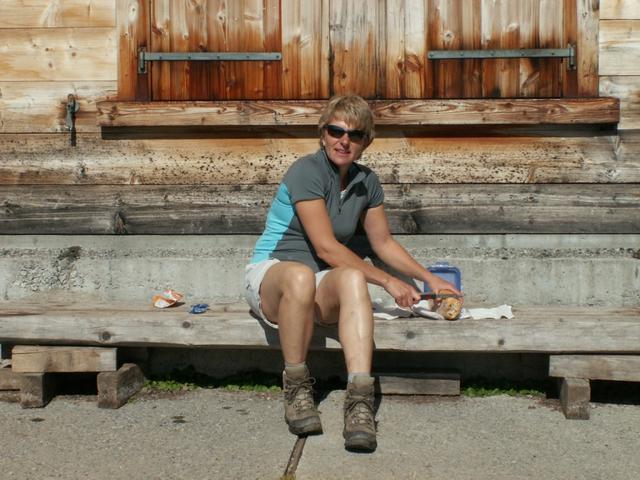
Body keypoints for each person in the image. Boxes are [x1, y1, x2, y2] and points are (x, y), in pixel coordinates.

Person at [244, 94, 461, 452]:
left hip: (317, 283)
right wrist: (388, 281)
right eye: (336, 131)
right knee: (300, 275)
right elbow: (327, 248)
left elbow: (383, 243)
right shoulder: (306, 171)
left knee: (354, 277)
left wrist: (430, 279)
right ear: (323, 134)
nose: (344, 140)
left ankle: (359, 401)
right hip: (272, 274)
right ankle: (296, 387)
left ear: (366, 142)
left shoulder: (367, 182)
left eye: (355, 134)